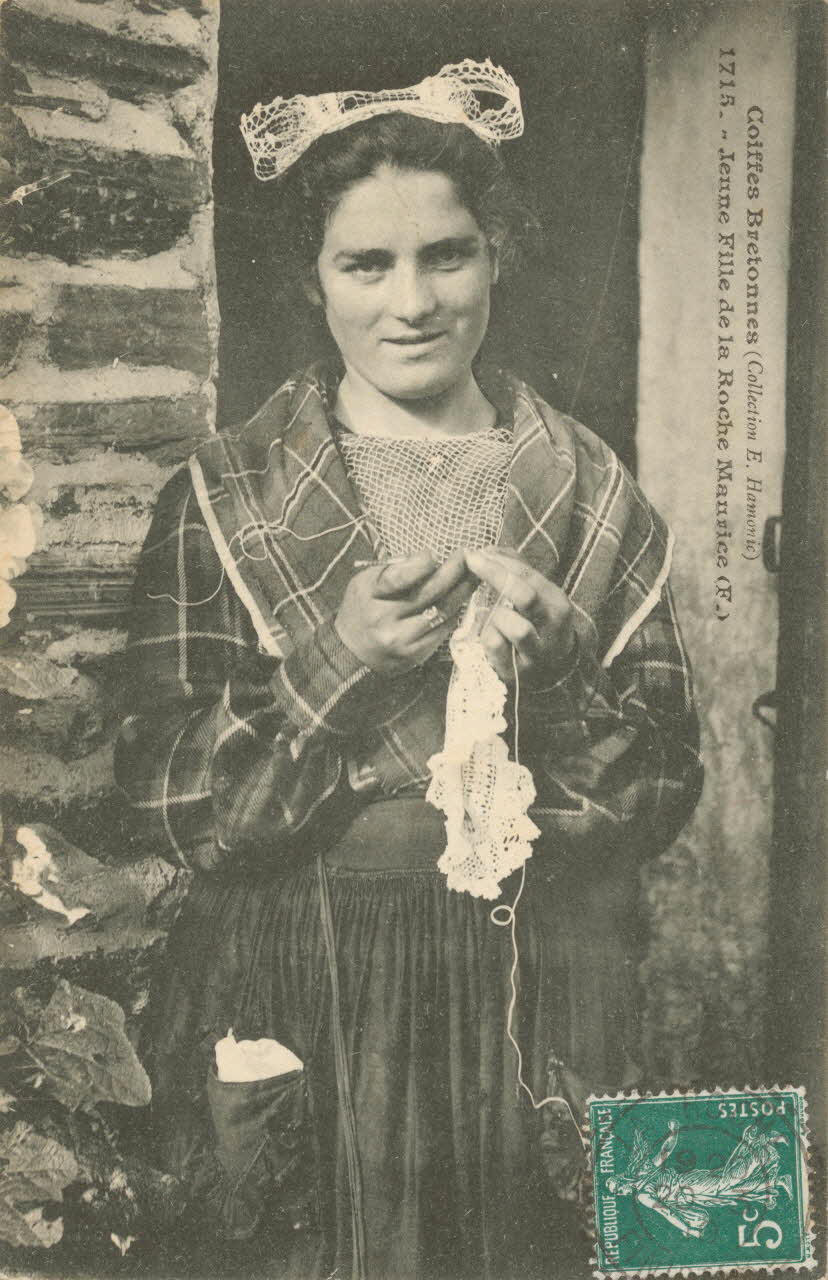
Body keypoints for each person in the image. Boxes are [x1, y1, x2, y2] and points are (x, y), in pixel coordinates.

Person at [116, 60, 703, 1280]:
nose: (414, 300)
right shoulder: (227, 495)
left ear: (500, 255)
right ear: (311, 280)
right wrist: (338, 661)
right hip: (314, 979)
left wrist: (560, 678)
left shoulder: (592, 492)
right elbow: (169, 803)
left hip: (543, 984)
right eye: (365, 264)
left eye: (450, 254)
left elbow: (663, 796)